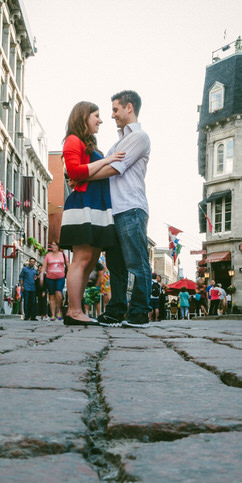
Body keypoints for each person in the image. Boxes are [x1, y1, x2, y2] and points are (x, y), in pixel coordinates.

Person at [91, 90, 152, 329]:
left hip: (131, 207)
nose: (112, 114)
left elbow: (115, 169)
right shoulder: (118, 142)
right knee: (115, 266)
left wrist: (83, 173)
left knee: (137, 263)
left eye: (115, 109)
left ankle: (139, 313)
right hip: (114, 211)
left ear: (129, 107)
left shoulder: (139, 137)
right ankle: (115, 311)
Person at [60, 101, 123, 326]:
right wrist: (108, 159)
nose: (100, 120)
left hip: (96, 206)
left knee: (91, 260)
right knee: (82, 259)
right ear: (83, 116)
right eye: (96, 115)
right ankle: (74, 311)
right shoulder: (73, 140)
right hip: (83, 205)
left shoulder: (87, 144)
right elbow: (74, 171)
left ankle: (77, 310)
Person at [39, 241, 67, 321]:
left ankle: (59, 310)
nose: (52, 246)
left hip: (60, 277)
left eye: (54, 245)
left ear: (58, 246)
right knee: (51, 296)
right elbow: (44, 267)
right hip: (50, 278)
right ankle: (53, 314)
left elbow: (68, 265)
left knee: (58, 293)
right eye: (52, 245)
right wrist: (41, 277)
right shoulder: (48, 255)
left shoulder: (63, 255)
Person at [18, 256, 39, 320]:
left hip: (33, 288)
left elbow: (37, 279)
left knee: (33, 302)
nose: (32, 263)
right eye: (31, 261)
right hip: (26, 287)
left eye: (33, 262)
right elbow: (21, 277)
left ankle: (33, 316)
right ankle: (27, 316)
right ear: (29, 262)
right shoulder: (25, 269)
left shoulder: (35, 271)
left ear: (34, 263)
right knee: (26, 302)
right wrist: (22, 285)